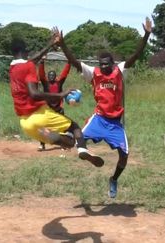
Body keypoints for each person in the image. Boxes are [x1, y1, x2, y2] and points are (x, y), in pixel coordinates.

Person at [53, 17, 152, 198]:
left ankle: (113, 179)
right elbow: (74, 62)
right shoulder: (94, 73)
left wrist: (146, 35)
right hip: (99, 118)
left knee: (124, 156)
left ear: (112, 63)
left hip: (115, 123)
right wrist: (63, 44)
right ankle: (72, 145)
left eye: (107, 64)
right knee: (78, 137)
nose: (104, 66)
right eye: (102, 64)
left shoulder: (119, 70)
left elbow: (135, 56)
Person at [8, 34, 103, 167]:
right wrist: (61, 95)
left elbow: (32, 61)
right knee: (74, 127)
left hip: (25, 123)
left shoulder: (12, 68)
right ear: (25, 51)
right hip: (39, 114)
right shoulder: (29, 66)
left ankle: (54, 137)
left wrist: (50, 45)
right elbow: (34, 94)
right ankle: (82, 149)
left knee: (68, 142)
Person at [37, 58, 71, 151]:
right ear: (48, 77)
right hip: (47, 109)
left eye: (53, 75)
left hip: (58, 108)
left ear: (55, 76)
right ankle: (42, 144)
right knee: (43, 125)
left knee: (62, 126)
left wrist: (69, 63)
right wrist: (41, 63)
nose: (51, 76)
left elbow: (64, 74)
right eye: (49, 75)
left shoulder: (59, 83)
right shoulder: (45, 84)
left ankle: (64, 144)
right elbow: (41, 75)